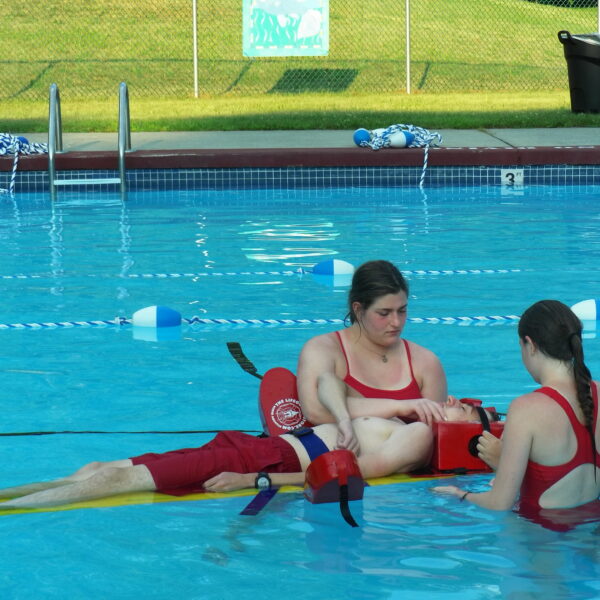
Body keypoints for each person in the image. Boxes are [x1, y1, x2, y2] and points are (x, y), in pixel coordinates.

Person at [0, 399, 492, 510]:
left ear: (467, 429)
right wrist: (405, 405)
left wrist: (251, 481)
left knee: (114, 481)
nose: (453, 402)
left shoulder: (419, 438)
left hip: (266, 462)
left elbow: (342, 475)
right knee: (97, 468)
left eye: (464, 409)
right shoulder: (407, 421)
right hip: (260, 447)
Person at [433, 299, 600, 512]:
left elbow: (499, 503)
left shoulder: (526, 409)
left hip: (538, 530)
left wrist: (460, 494)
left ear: (530, 345)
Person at [297, 259, 448, 452]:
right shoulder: (323, 349)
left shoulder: (426, 362)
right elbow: (315, 411)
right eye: (384, 313)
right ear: (358, 309)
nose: (396, 322)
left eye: (402, 311)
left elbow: (437, 436)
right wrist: (400, 407)